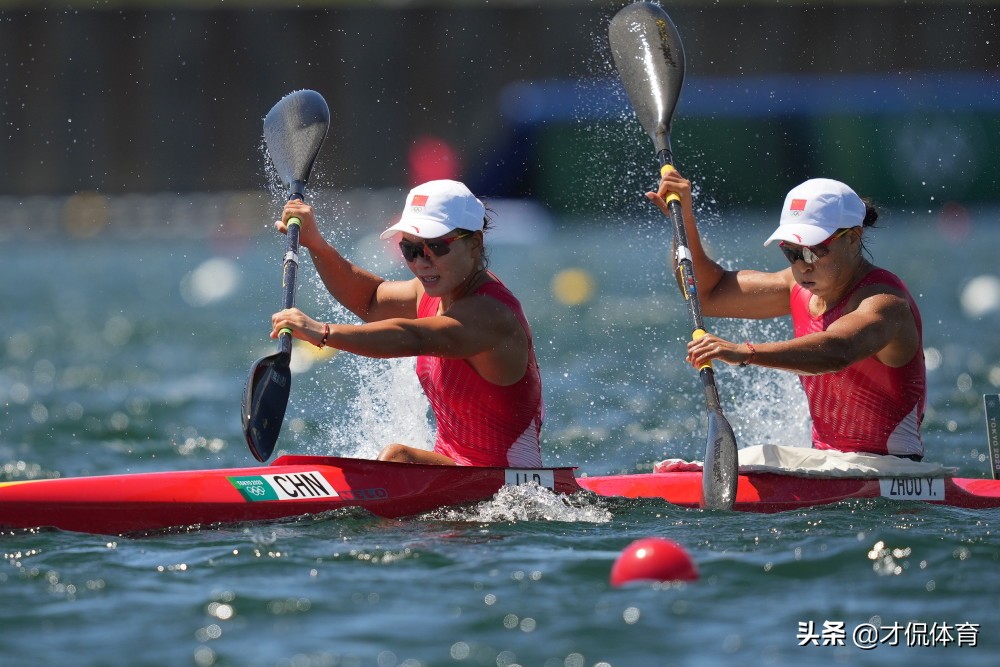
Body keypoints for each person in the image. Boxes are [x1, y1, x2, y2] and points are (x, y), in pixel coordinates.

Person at [646, 171, 926, 460]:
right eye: (791, 253)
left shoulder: (885, 302)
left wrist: (744, 352)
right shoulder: (797, 288)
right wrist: (685, 220)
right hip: (827, 463)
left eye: (814, 251)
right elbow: (707, 295)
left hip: (893, 469)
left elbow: (837, 351)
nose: (802, 266)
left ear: (853, 238)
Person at [270, 179, 543, 467]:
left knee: (396, 457)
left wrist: (323, 332)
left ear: (475, 244)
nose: (421, 262)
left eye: (436, 247)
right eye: (410, 249)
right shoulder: (427, 292)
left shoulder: (491, 315)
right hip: (455, 473)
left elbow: (415, 337)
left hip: (509, 486)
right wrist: (316, 242)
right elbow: (371, 300)